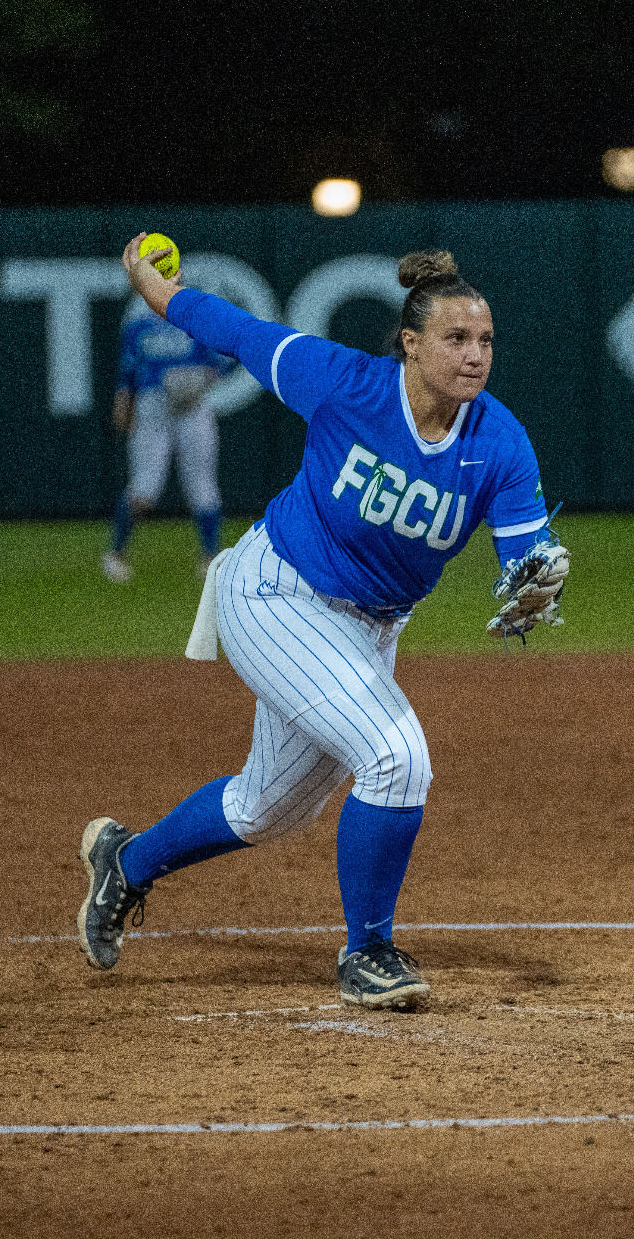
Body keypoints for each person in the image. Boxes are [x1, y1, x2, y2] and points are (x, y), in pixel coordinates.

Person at [76, 234, 569, 1010]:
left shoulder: (498, 440)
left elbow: (524, 550)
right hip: (276, 592)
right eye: (456, 338)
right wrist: (156, 290)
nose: (475, 355)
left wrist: (531, 576)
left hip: (367, 628)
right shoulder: (344, 384)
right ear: (411, 343)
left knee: (264, 808)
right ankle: (368, 951)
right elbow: (237, 331)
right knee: (396, 755)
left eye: (485, 340)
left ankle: (124, 861)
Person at [101, 298, 236, 583]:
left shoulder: (195, 317)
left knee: (202, 485)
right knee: (144, 488)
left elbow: (226, 357)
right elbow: (128, 369)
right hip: (153, 403)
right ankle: (116, 553)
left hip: (193, 405)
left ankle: (209, 557)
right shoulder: (140, 321)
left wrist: (205, 376)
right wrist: (123, 399)